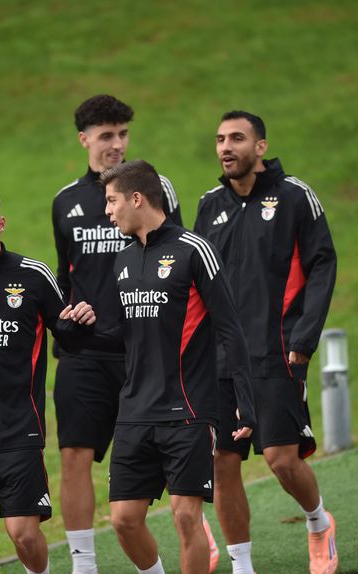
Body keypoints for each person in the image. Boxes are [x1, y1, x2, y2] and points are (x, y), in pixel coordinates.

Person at [52, 94, 223, 573]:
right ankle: (84, 565)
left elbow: (182, 265)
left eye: (123, 134)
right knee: (77, 458)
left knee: (183, 503)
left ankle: (199, 533)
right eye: (107, 135)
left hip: (157, 357)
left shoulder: (154, 188)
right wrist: (70, 333)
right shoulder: (64, 202)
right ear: (84, 138)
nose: (117, 144)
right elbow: (67, 278)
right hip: (93, 351)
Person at [194, 111, 338, 574]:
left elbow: (322, 265)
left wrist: (304, 336)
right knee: (222, 462)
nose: (225, 147)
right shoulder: (209, 204)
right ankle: (242, 566)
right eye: (219, 139)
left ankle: (318, 524)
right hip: (219, 357)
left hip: (277, 349)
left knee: (280, 460)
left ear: (260, 146)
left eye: (237, 138)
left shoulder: (295, 196)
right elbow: (196, 282)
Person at [97, 160, 255, 574]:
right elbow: (122, 337)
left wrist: (244, 399)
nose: (108, 211)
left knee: (186, 517)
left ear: (136, 198)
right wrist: (76, 330)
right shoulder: (123, 260)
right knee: (123, 520)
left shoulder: (194, 250)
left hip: (188, 410)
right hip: (134, 412)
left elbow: (231, 331)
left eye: (112, 201)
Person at [0, 187, 97, 574]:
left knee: (23, 534)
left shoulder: (33, 275)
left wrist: (82, 322)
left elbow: (70, 339)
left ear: (1, 225)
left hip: (17, 428)